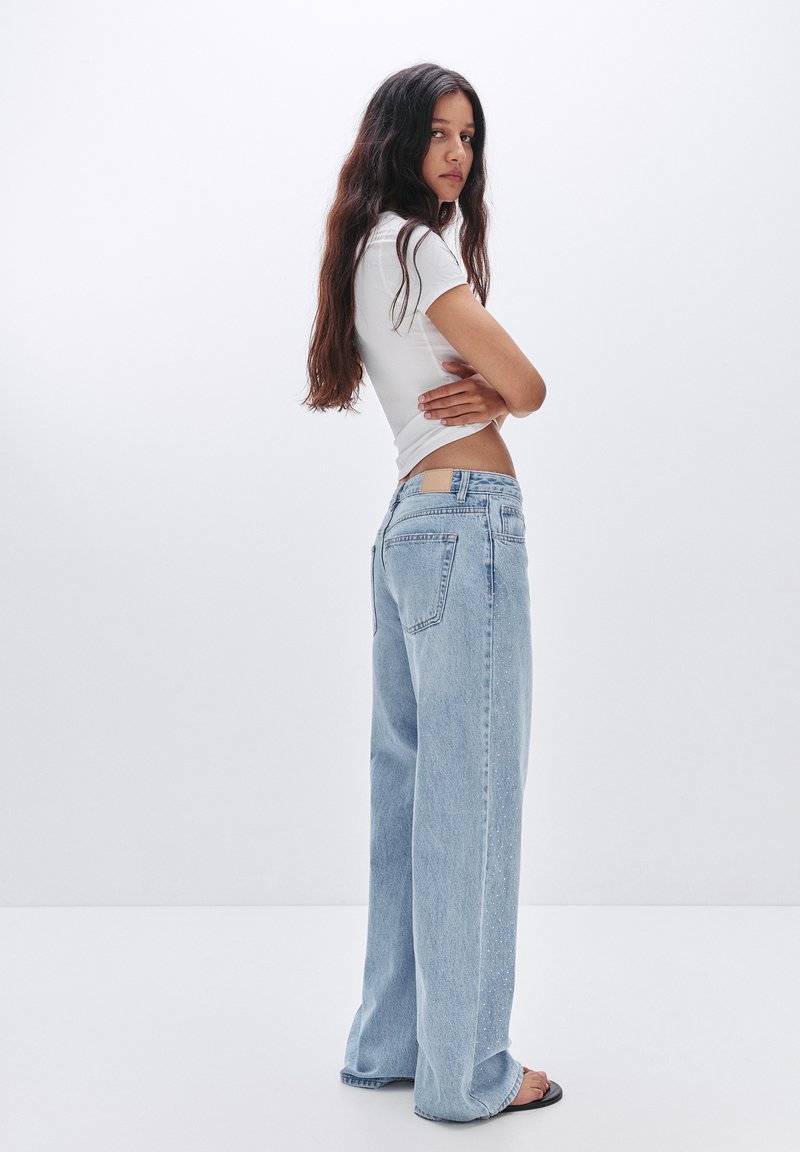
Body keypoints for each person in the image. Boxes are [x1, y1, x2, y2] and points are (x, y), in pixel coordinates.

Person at [303, 62, 562, 1123]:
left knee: (409, 796)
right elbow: (530, 385)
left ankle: (392, 1044)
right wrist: (503, 394)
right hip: (468, 524)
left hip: (411, 525)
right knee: (474, 796)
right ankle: (467, 1072)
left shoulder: (363, 249)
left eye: (469, 136)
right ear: (397, 139)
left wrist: (491, 390)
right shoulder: (418, 244)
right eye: (439, 133)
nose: (457, 154)